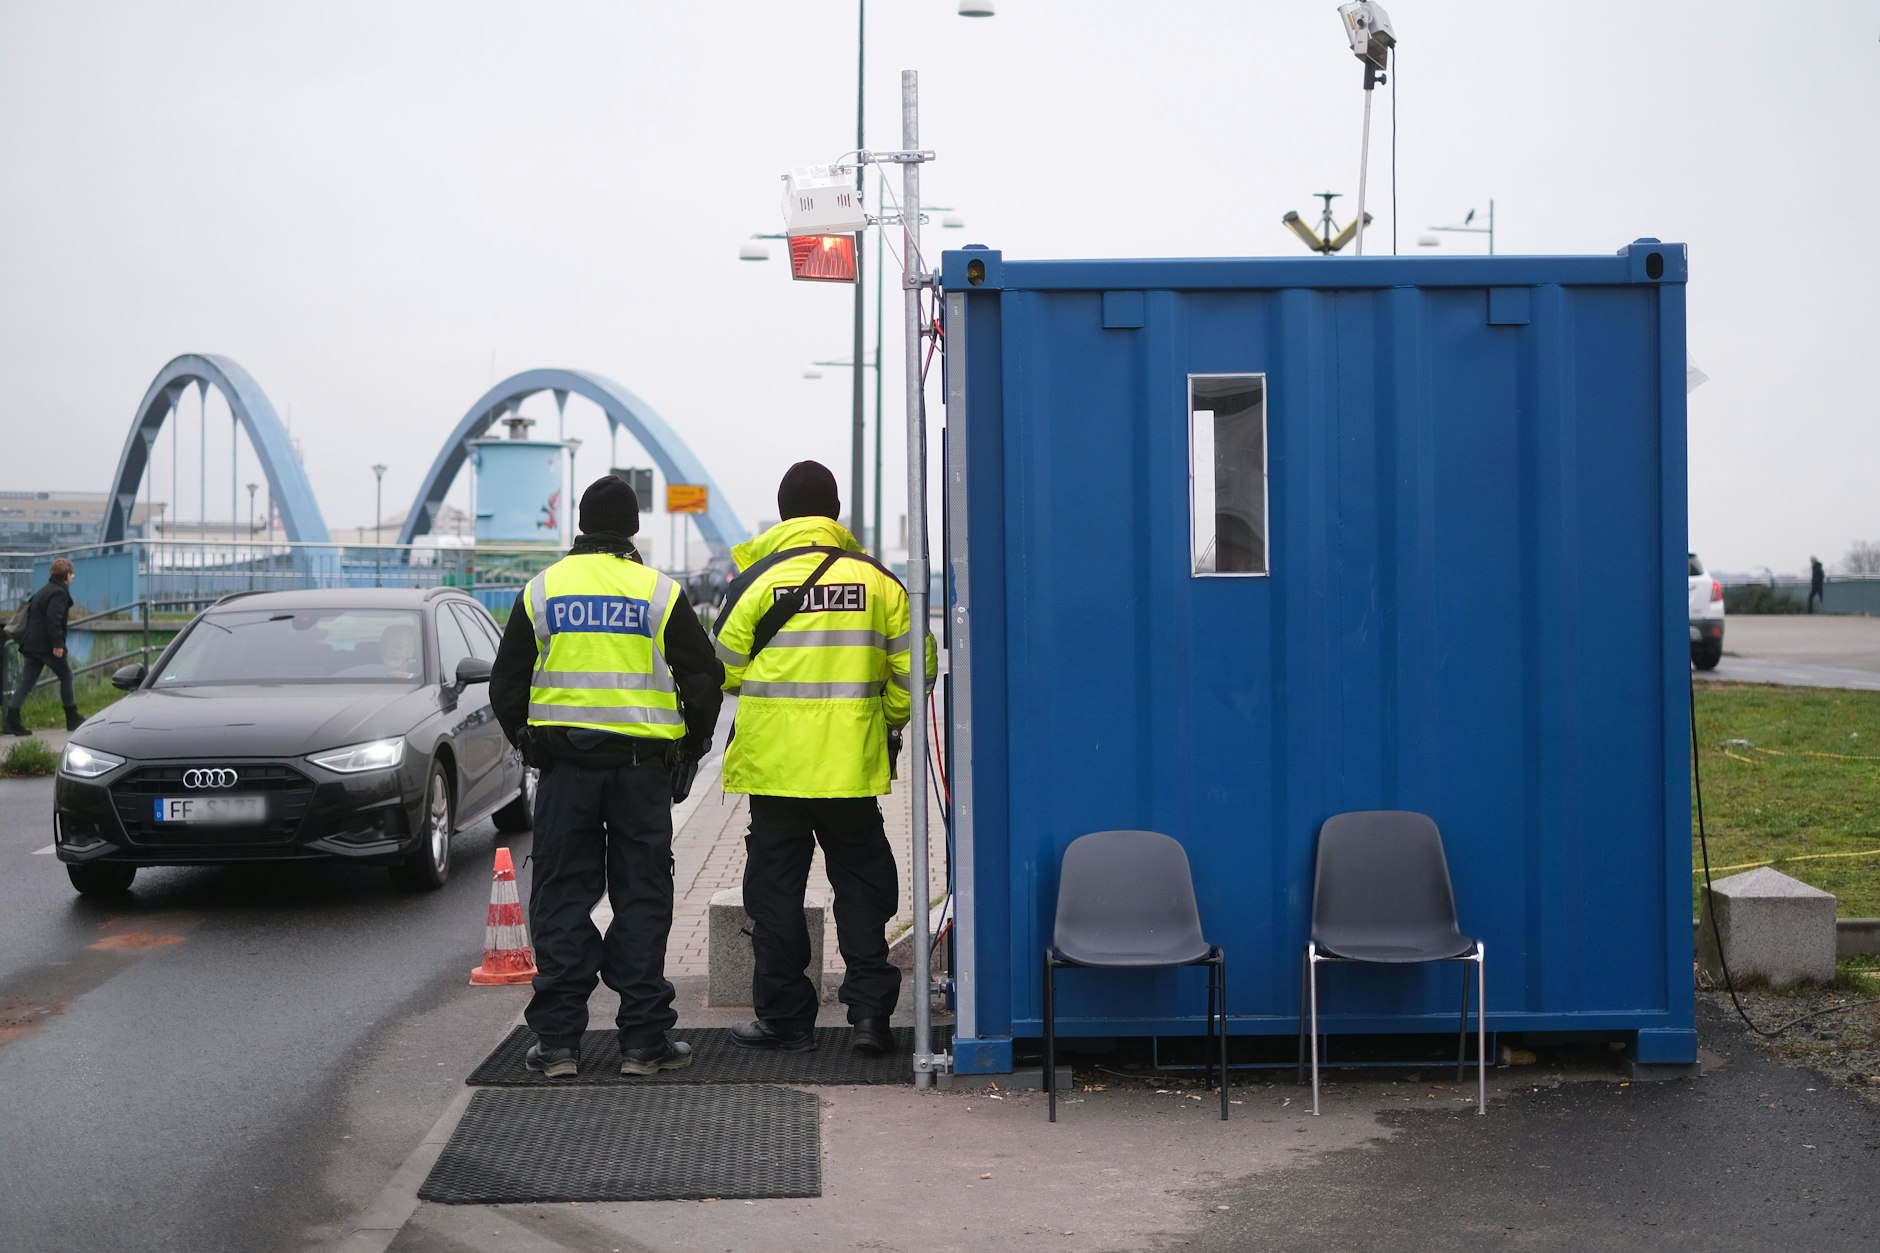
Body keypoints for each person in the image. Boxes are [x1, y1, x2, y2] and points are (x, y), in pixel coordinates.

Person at [489, 475, 724, 1078]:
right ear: (634, 528)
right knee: (642, 894)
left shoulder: (542, 590)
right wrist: (691, 749)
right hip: (641, 775)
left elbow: (506, 683)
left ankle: (559, 1043)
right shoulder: (658, 592)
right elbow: (703, 680)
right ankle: (644, 1040)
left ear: (581, 524)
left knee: (562, 895)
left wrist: (529, 741)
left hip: (566, 772)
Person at [712, 461, 930, 1056]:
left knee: (775, 892)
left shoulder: (755, 581)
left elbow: (724, 668)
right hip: (851, 770)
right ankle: (869, 1019)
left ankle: (785, 1019)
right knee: (863, 890)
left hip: (776, 769)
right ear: (834, 513)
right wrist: (884, 718)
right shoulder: (880, 583)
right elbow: (917, 669)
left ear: (784, 513)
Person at [4, 558, 79, 736]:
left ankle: (11, 721)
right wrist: (57, 645)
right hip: (46, 646)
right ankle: (72, 717)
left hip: (31, 644)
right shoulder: (59, 593)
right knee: (66, 676)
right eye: (72, 574)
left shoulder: (44, 590)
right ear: (66, 575)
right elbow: (53, 620)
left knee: (27, 682)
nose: (72, 577)